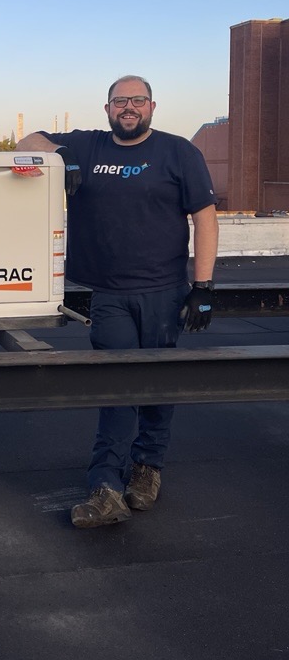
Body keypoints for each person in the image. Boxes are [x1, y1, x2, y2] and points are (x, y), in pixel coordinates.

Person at [17, 75, 218, 529]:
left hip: (165, 294)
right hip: (106, 294)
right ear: (107, 108)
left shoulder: (179, 152)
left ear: (152, 106)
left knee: (158, 384)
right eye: (120, 101)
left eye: (138, 101)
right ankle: (106, 486)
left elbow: (205, 218)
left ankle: (147, 470)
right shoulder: (87, 146)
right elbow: (26, 141)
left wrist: (203, 288)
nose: (129, 107)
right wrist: (60, 156)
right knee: (117, 382)